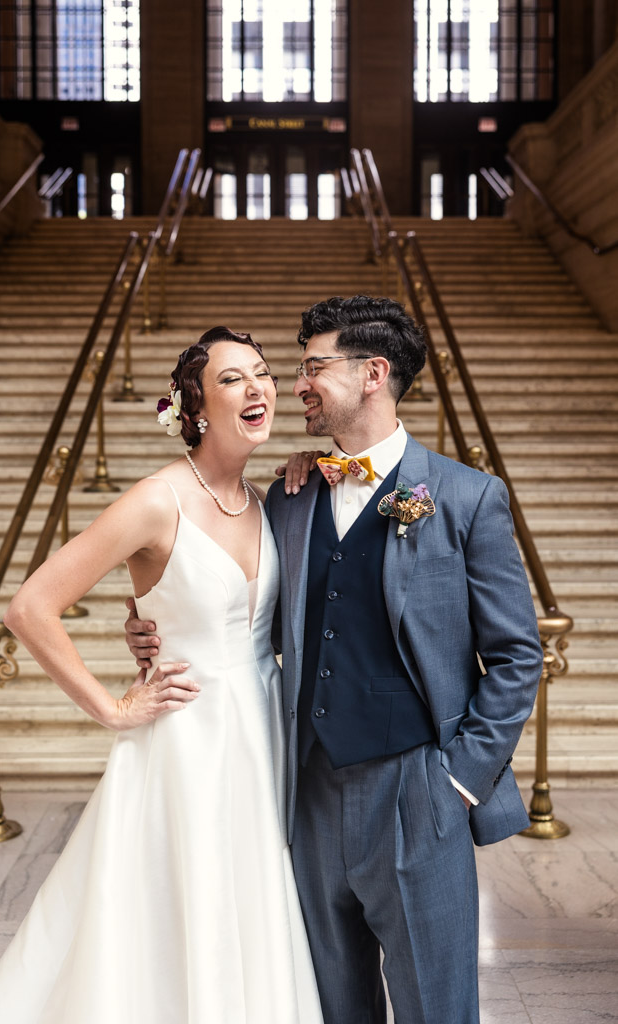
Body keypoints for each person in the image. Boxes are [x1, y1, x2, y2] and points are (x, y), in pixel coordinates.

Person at [126, 296, 544, 1024]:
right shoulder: (288, 498)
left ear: (373, 373)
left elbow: (514, 655)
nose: (297, 386)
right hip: (308, 789)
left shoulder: (465, 497)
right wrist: (151, 627)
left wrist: (459, 781)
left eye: (314, 366)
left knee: (436, 1009)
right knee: (325, 1004)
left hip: (420, 789)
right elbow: (226, 597)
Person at [0, 327, 323, 1024]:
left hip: (262, 729)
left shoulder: (273, 502)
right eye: (234, 378)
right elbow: (30, 607)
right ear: (198, 408)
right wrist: (111, 709)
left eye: (263, 374)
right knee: (172, 902)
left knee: (249, 897)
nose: (258, 388)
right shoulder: (156, 501)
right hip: (185, 739)